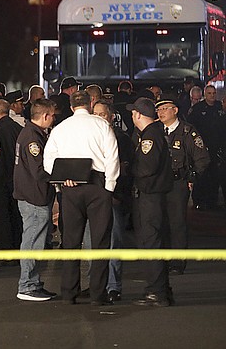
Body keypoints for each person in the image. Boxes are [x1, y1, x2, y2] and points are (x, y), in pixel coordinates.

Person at [44, 90, 119, 306]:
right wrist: (109, 187)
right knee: (100, 242)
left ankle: (69, 293)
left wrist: (62, 178)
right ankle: (98, 294)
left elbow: (48, 160)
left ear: (70, 107)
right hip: (97, 186)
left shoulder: (60, 128)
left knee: (70, 241)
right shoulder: (101, 125)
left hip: (71, 188)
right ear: (91, 103)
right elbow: (112, 157)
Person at [155, 96, 210, 275]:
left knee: (177, 223)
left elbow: (202, 158)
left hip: (178, 182)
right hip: (158, 183)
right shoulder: (155, 130)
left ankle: (177, 262)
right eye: (159, 110)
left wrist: (191, 178)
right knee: (159, 222)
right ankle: (162, 258)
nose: (161, 113)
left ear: (175, 110)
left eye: (165, 109)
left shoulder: (187, 131)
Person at [128, 97, 174, 307]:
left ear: (138, 114)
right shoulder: (153, 133)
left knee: (151, 241)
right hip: (155, 196)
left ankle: (156, 292)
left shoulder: (150, 136)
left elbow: (147, 168)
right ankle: (162, 289)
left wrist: (128, 169)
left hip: (150, 196)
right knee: (156, 240)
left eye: (133, 113)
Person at [13, 98, 58, 301]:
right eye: (52, 115)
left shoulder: (31, 133)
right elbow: (39, 170)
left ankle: (33, 282)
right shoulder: (33, 138)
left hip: (31, 194)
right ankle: (27, 285)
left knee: (34, 239)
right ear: (46, 115)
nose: (53, 119)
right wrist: (59, 176)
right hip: (34, 196)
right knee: (33, 241)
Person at [92, 100, 134, 303]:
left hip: (114, 198)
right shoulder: (88, 138)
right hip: (93, 200)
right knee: (92, 243)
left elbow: (126, 171)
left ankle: (113, 286)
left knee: (114, 242)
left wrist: (118, 195)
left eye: (102, 114)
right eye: (95, 114)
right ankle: (96, 284)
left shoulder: (122, 139)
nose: (99, 117)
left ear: (110, 117)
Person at [0, 98, 23, 254]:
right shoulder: (18, 128)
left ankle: (4, 251)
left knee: (0, 216)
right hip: (16, 178)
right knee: (16, 215)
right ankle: (17, 247)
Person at [187, 84, 224, 209]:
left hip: (217, 148)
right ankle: (199, 200)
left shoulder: (219, 107)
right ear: (205, 94)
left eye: (214, 93)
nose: (212, 96)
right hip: (202, 148)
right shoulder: (198, 109)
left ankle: (212, 201)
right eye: (209, 93)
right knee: (202, 175)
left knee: (215, 175)